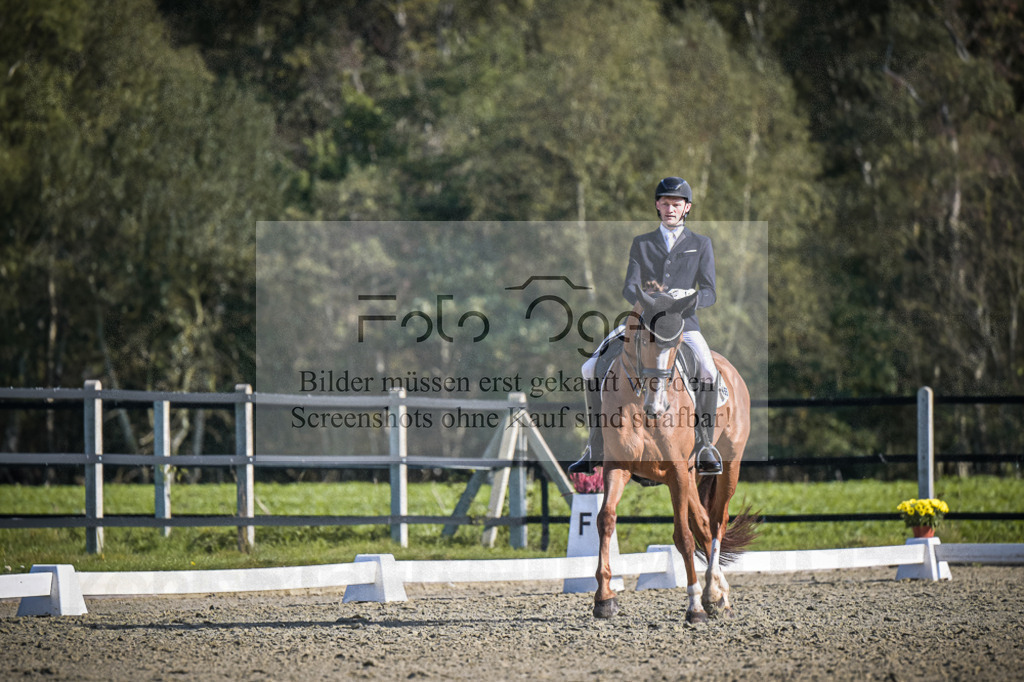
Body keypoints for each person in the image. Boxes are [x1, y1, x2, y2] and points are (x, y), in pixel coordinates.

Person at [568, 176, 728, 475]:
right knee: (589, 368)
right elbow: (629, 287)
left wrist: (688, 297)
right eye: (665, 203)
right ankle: (594, 446)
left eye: (676, 204)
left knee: (707, 370)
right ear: (657, 205)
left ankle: (705, 445)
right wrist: (651, 299)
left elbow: (710, 292)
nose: (670, 209)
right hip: (642, 322)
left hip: (683, 324)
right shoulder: (642, 243)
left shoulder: (701, 244)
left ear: (687, 208)